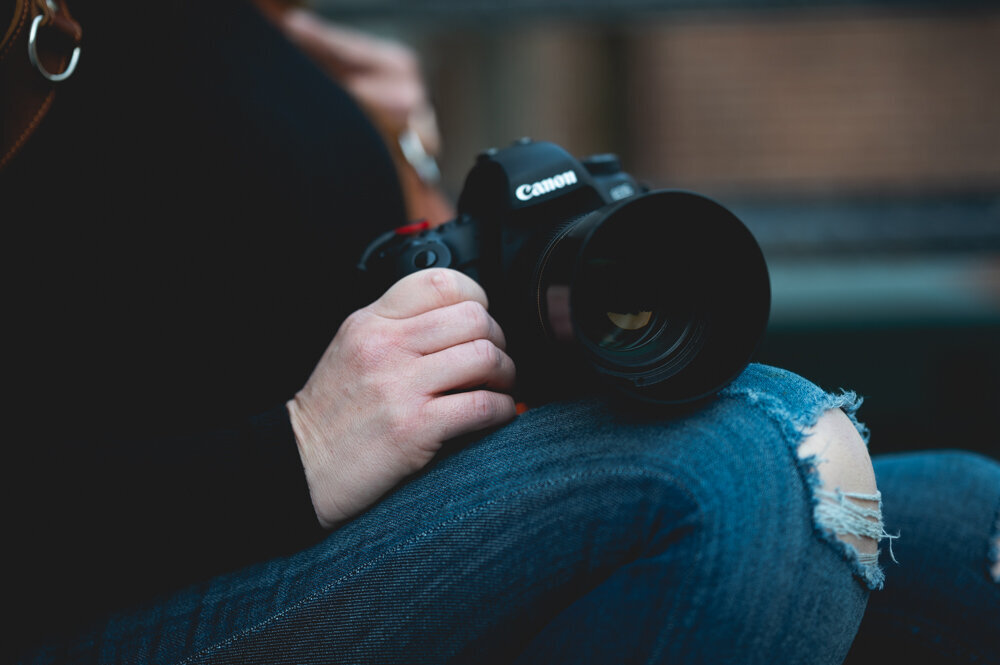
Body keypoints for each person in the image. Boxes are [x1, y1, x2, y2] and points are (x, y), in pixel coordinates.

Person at [4, 1, 996, 663]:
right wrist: (296, 449)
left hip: (357, 525)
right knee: (754, 465)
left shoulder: (248, 22)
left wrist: (401, 156)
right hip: (119, 588)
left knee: (972, 511)